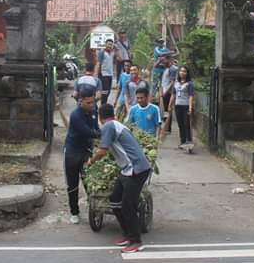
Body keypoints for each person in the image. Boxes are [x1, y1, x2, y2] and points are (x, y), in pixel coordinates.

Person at [88, 104, 152, 254]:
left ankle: (136, 241)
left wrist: (91, 161)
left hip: (137, 169)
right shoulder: (115, 125)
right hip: (127, 170)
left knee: (127, 206)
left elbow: (102, 151)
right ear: (113, 114)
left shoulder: (109, 126)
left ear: (100, 117)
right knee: (115, 199)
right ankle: (127, 233)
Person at [64, 89, 101, 224]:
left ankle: (94, 209)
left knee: (90, 182)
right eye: (88, 102)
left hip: (86, 150)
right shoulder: (75, 116)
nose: (92, 105)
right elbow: (89, 132)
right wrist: (105, 134)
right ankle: (74, 212)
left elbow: (95, 127)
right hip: (72, 152)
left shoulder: (93, 111)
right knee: (73, 184)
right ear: (80, 101)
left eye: (93, 102)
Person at [169, 65, 195, 148]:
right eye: (181, 71)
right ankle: (182, 141)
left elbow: (191, 96)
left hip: (186, 106)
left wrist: (190, 107)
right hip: (177, 106)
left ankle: (189, 141)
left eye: (184, 71)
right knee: (180, 124)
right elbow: (173, 95)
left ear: (187, 73)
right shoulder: (176, 83)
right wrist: (170, 105)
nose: (182, 73)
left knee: (186, 124)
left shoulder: (189, 84)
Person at [159, 54, 178, 134]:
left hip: (168, 93)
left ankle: (168, 128)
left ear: (168, 59)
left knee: (168, 109)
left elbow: (172, 82)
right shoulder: (166, 68)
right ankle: (167, 127)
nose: (162, 62)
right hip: (164, 92)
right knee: (166, 110)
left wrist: (166, 92)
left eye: (163, 60)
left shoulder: (172, 69)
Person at [96, 38, 116, 105]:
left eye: (111, 44)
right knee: (105, 91)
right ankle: (103, 104)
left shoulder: (112, 53)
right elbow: (98, 63)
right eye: (109, 44)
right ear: (106, 44)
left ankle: (104, 103)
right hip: (103, 74)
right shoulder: (102, 52)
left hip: (110, 75)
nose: (110, 46)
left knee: (108, 91)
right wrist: (96, 75)